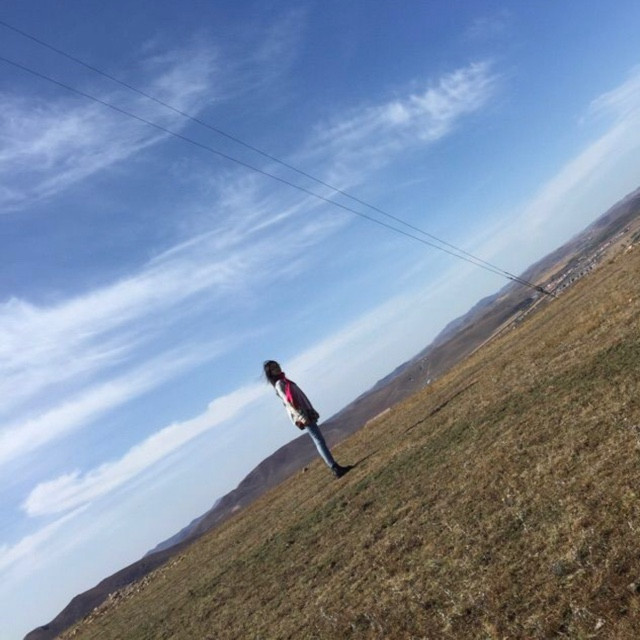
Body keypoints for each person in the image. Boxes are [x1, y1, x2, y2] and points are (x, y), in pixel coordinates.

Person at [263, 360, 352, 478]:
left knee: (319, 439)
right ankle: (334, 468)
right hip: (303, 414)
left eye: (277, 366)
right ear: (271, 373)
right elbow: (288, 402)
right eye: (274, 368)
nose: (277, 368)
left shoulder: (285, 381)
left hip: (306, 412)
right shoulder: (280, 384)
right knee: (319, 440)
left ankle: (335, 467)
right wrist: (301, 417)